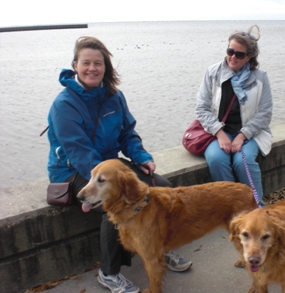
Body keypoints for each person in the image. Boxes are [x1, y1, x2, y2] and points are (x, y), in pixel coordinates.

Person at [46, 36, 192, 293]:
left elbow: (128, 134)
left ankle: (160, 247)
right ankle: (109, 273)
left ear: (106, 67)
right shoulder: (64, 105)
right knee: (113, 203)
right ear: (75, 65)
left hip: (111, 165)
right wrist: (116, 181)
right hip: (72, 170)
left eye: (98, 63)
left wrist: (141, 157)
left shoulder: (114, 96)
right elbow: (79, 153)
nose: (92, 68)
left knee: (163, 187)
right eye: (86, 63)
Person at [195, 25, 273, 206]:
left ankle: (256, 207)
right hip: (218, 132)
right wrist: (219, 134)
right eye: (230, 51)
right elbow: (202, 108)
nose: (233, 57)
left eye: (240, 54)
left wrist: (241, 136)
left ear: (249, 57)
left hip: (250, 133)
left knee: (242, 160)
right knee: (216, 159)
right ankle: (233, 208)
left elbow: (265, 113)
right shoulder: (212, 72)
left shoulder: (261, 77)